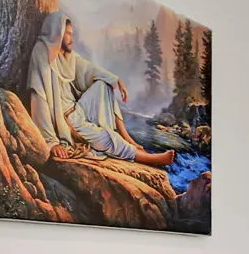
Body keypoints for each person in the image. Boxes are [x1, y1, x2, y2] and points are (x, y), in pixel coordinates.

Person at [25, 12, 174, 168]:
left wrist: (116, 80)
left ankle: (127, 138)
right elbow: (39, 99)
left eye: (72, 34)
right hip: (66, 120)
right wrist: (51, 142)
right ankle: (148, 158)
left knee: (104, 84)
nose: (72, 39)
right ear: (57, 33)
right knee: (105, 136)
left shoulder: (68, 56)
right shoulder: (42, 53)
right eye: (68, 34)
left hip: (78, 109)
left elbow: (89, 69)